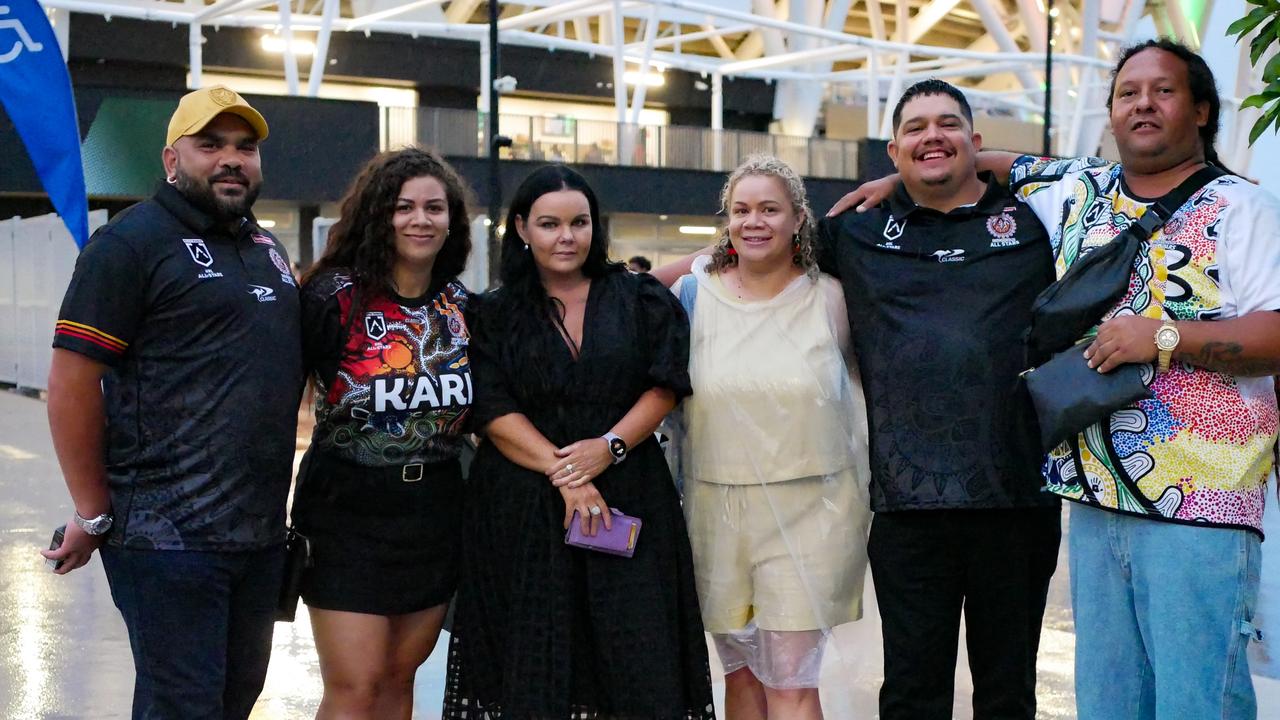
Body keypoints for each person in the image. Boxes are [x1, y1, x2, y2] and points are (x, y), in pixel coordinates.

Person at [833, 41, 1280, 720]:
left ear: (1202, 110)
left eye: (1163, 91)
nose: (1143, 105)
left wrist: (1161, 336)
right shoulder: (1080, 189)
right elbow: (980, 160)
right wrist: (896, 180)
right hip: (1096, 508)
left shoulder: (1244, 209)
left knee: (1198, 702)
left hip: (1202, 512)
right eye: (1128, 93)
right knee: (1108, 703)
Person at [41, 85, 301, 719]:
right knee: (183, 706)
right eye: (210, 145)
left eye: (246, 147)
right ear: (170, 160)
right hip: (167, 540)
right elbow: (71, 386)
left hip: (260, 535)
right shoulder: (129, 246)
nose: (231, 159)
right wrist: (94, 509)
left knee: (236, 698)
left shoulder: (268, 250)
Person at [817, 79, 1062, 720]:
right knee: (912, 695)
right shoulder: (856, 234)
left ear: (976, 143)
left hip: (1016, 502)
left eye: (949, 125)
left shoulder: (1038, 224)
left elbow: (1108, 179)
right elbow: (746, 252)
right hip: (906, 508)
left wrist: (1001, 166)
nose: (934, 137)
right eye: (917, 128)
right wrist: (626, 284)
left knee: (1008, 695)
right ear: (893, 150)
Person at [442, 164, 715, 719]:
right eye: (548, 224)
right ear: (521, 228)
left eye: (579, 222)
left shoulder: (638, 298)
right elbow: (491, 408)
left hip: (628, 491)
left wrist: (608, 447)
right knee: (534, 659)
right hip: (522, 505)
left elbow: (665, 385)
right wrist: (568, 474)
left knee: (635, 656)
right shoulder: (491, 313)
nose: (566, 237)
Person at [673, 154, 871, 720]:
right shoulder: (695, 295)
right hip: (715, 509)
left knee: (790, 681)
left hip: (815, 509)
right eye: (741, 210)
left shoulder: (831, 297)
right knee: (741, 679)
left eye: (769, 209)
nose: (754, 221)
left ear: (797, 220)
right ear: (726, 222)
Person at [294, 147, 474, 719]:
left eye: (435, 208)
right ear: (378, 214)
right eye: (404, 207)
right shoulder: (334, 299)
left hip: (435, 511)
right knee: (356, 685)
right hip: (347, 510)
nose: (421, 219)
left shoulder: (463, 308)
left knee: (400, 680)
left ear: (452, 221)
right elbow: (274, 399)